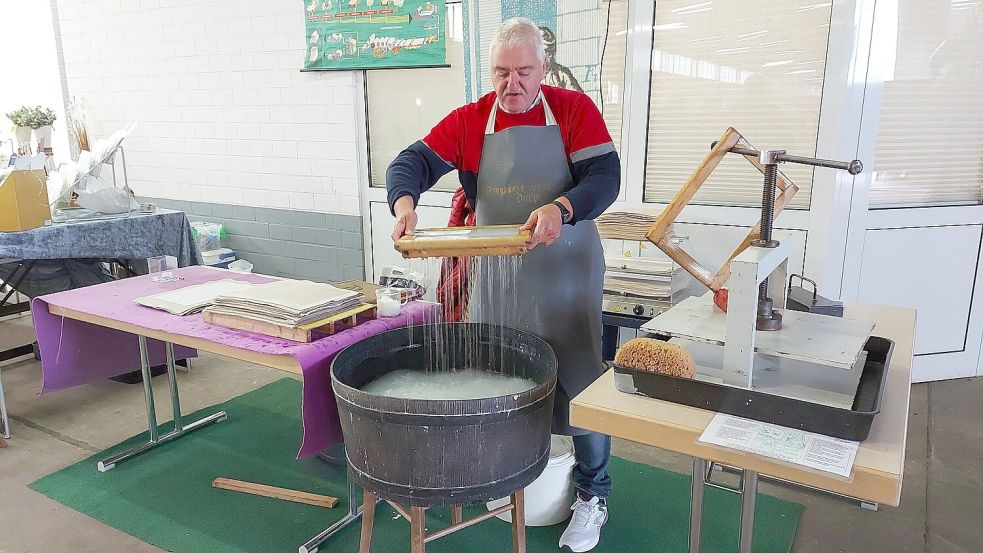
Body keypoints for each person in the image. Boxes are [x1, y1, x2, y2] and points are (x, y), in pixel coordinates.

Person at [386, 17, 619, 552]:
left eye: (524, 72)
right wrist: (404, 204)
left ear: (544, 67)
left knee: (582, 383)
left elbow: (606, 178)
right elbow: (411, 162)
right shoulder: (471, 122)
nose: (512, 85)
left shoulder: (573, 111)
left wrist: (563, 207)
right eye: (501, 73)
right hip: (497, 273)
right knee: (499, 377)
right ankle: (505, 476)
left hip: (566, 272)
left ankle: (593, 495)